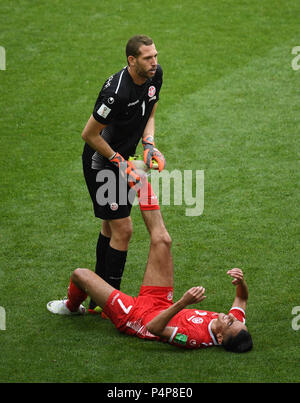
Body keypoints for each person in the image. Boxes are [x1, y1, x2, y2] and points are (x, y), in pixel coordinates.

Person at [47, 202, 253, 353]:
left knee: (80, 275)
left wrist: (184, 301)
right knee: (162, 240)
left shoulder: (193, 338)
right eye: (234, 319)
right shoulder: (234, 324)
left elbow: (153, 328)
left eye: (229, 322)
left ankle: (72, 307)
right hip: (159, 302)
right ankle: (141, 180)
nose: (230, 316)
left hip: (135, 317)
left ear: (219, 337)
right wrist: (240, 281)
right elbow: (241, 299)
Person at [81, 34, 166, 313]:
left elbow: (149, 114)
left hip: (123, 162)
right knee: (124, 228)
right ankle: (112, 304)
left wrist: (150, 144)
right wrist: (119, 161)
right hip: (101, 160)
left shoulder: (155, 76)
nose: (154, 62)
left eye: (155, 56)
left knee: (110, 226)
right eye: (147, 58)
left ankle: (98, 297)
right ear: (132, 61)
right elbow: (89, 134)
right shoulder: (116, 93)